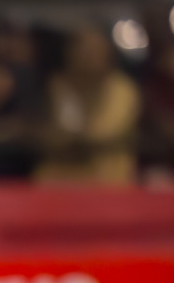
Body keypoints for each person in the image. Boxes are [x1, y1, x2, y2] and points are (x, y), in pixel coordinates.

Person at [35, 24, 140, 186]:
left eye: (95, 49)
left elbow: (105, 132)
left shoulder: (122, 88)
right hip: (61, 177)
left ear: (108, 53)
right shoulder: (58, 85)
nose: (88, 55)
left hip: (109, 179)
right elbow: (55, 136)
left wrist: (76, 139)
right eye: (81, 47)